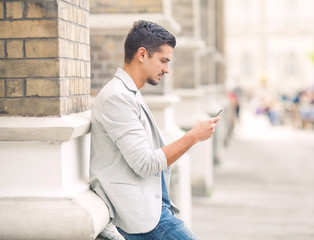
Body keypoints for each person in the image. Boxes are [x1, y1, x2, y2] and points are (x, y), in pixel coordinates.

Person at [89, 20, 220, 240]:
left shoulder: (129, 93)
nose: (167, 69)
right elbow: (145, 163)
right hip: (141, 219)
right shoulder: (117, 97)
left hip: (153, 210)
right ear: (142, 54)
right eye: (163, 61)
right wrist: (193, 136)